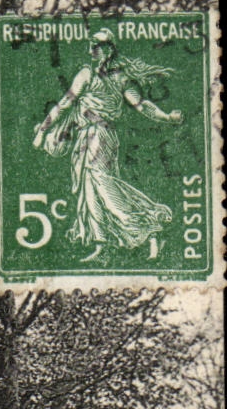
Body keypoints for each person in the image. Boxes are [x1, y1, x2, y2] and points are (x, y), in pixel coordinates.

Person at [32, 30, 183, 262]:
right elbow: (65, 103)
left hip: (102, 136)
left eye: (95, 46)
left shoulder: (121, 78)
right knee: (90, 189)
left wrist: (167, 117)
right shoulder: (86, 73)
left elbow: (142, 105)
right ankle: (101, 243)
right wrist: (43, 129)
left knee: (104, 186)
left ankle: (150, 227)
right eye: (90, 46)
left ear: (108, 49)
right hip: (85, 137)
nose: (90, 51)